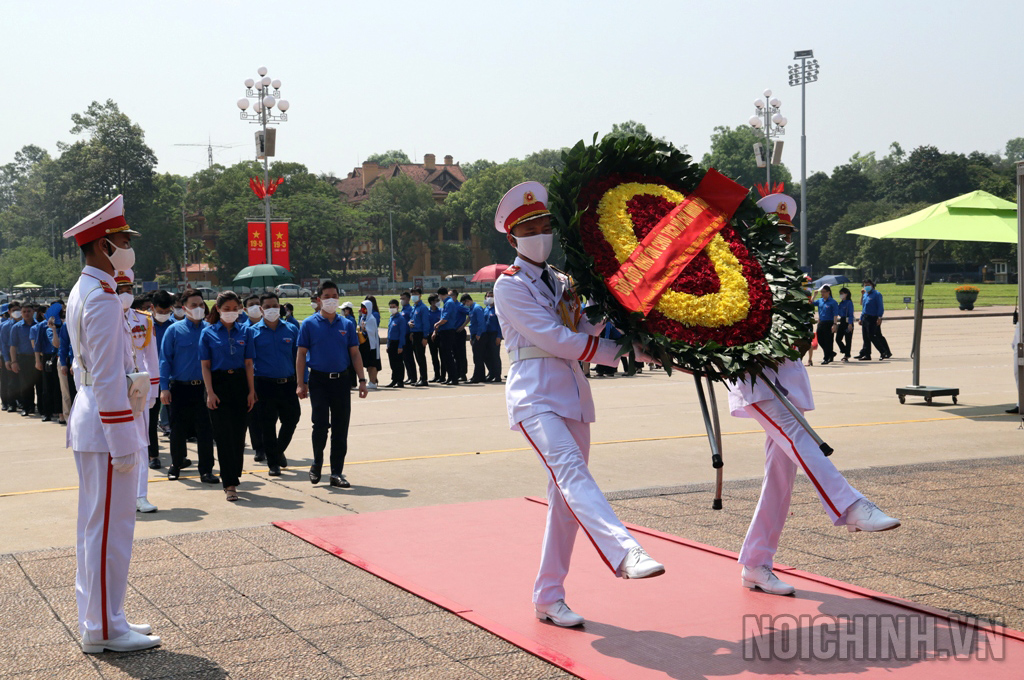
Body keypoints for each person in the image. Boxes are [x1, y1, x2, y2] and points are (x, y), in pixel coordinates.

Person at [493, 181, 665, 628]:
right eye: (529, 229)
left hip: (572, 394)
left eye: (544, 226)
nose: (540, 235)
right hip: (534, 395)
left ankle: (548, 596)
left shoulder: (563, 280)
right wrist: (618, 352)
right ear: (512, 239)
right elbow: (555, 338)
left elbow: (582, 328)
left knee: (565, 501)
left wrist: (617, 317)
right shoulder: (509, 286)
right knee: (572, 472)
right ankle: (625, 551)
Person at [733, 191, 901, 597]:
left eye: (787, 233)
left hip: (787, 378)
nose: (784, 239)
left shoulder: (789, 275)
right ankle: (850, 505)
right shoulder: (740, 270)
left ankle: (756, 562)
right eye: (776, 232)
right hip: (758, 381)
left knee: (780, 478)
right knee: (800, 439)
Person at [62, 194, 160, 653]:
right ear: (103, 245)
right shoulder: (101, 298)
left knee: (98, 529)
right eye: (123, 240)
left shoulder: (88, 290)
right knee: (109, 533)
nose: (128, 248)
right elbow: (105, 376)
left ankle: (103, 616)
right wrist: (124, 442)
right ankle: (104, 628)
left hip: (96, 421)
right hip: (106, 427)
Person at [296, 281, 368, 488]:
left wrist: (362, 380)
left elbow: (355, 353)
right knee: (320, 425)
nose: (331, 300)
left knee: (340, 427)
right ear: (319, 300)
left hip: (341, 381)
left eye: (334, 296)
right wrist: (301, 383)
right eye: (327, 296)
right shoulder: (308, 324)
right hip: (318, 381)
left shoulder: (346, 324)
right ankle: (317, 463)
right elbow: (301, 354)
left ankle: (336, 472)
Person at [199, 291, 255, 502]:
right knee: (223, 436)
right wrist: (210, 392)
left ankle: (234, 474)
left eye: (235, 309)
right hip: (218, 384)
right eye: (226, 309)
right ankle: (229, 484)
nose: (231, 312)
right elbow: (205, 365)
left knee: (238, 435)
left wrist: (251, 391)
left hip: (240, 383)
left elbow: (249, 363)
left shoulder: (246, 332)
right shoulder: (208, 333)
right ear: (218, 309)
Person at [160, 289, 217, 484]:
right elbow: (165, 360)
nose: (198, 308)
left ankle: (206, 470)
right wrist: (164, 388)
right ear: (184, 308)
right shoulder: (174, 330)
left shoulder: (210, 329)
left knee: (205, 431)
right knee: (178, 430)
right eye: (194, 305)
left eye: (201, 304)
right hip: (180, 388)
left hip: (204, 389)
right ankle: (176, 465)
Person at [246, 292, 300, 476]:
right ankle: (273, 464)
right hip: (264, 385)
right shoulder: (252, 332)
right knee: (268, 425)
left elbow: (299, 357)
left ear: (281, 307)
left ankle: (277, 452)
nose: (272, 309)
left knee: (292, 419)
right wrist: (251, 388)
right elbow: (248, 363)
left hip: (288, 383)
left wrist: (303, 382)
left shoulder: (291, 329)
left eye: (275, 306)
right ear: (261, 310)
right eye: (267, 307)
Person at [120, 278, 160, 513]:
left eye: (128, 290)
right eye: (120, 290)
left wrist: (153, 391)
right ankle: (120, 495)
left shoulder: (143, 319)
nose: (125, 294)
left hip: (137, 387)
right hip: (112, 386)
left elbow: (151, 357)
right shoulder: (103, 317)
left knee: (141, 442)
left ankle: (140, 495)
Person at [239, 294, 266, 463]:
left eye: (258, 304)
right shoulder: (241, 330)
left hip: (268, 376)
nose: (255, 307)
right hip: (250, 377)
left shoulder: (270, 326)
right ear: (245, 309)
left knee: (270, 415)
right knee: (253, 416)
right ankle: (259, 448)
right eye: (252, 305)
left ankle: (273, 445)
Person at [150, 290, 175, 442]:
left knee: (174, 417)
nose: (164, 315)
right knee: (150, 418)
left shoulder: (174, 327)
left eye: (167, 312)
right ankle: (152, 451)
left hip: (170, 376)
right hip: (150, 377)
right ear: (152, 307)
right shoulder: (143, 326)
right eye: (160, 312)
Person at [10, 301, 39, 416]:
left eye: (29, 311)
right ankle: (27, 407)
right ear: (21, 313)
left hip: (37, 358)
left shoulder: (39, 325)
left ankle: (41, 408)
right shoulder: (16, 327)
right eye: (24, 311)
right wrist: (14, 362)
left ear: (33, 312)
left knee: (40, 384)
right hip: (23, 358)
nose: (26, 313)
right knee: (25, 385)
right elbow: (13, 346)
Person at [36, 309, 62, 422]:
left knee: (58, 386)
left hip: (59, 356)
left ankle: (58, 410)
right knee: (47, 386)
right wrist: (38, 360)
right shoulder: (43, 326)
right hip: (48, 357)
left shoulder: (63, 326)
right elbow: (37, 344)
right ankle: (47, 412)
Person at [857, 279, 891, 360]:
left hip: (873, 318)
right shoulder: (865, 295)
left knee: (872, 336)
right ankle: (867, 354)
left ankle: (883, 351)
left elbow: (880, 307)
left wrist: (879, 317)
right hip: (865, 317)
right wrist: (861, 318)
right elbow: (863, 307)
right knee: (865, 337)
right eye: (865, 285)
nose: (866, 287)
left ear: (872, 285)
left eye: (868, 285)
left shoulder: (877, 294)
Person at [433, 288, 460, 385]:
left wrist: (437, 324)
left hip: (448, 331)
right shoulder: (447, 303)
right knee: (445, 355)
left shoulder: (449, 303)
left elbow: (445, 319)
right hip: (444, 331)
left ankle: (454, 378)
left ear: (440, 294)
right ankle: (450, 377)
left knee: (448, 355)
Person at [57, 308, 77, 423]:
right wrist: (64, 364)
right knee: (72, 392)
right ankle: (72, 419)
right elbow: (63, 345)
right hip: (73, 363)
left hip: (88, 363)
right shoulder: (66, 325)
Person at [462, 294, 487, 383]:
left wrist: (479, 334)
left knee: (477, 357)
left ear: (468, 300)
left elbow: (481, 322)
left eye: (464, 303)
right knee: (477, 356)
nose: (465, 305)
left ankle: (477, 377)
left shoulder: (477, 308)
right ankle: (481, 376)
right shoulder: (472, 309)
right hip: (474, 334)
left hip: (478, 334)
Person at [408, 287, 430, 387]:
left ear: (420, 295)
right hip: (414, 334)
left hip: (420, 334)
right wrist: (409, 324)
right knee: (417, 357)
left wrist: (425, 337)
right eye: (412, 294)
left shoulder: (423, 308)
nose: (414, 296)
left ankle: (424, 379)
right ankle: (421, 378)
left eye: (416, 294)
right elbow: (412, 319)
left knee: (421, 357)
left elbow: (426, 323)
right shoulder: (414, 307)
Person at [358, 299, 381, 389]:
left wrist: (364, 329)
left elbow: (371, 332)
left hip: (372, 345)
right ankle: (371, 380)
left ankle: (373, 381)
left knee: (372, 364)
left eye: (365, 307)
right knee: (368, 364)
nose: (363, 309)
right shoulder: (363, 317)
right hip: (365, 344)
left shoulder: (371, 318)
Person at [814, 285, 840, 365]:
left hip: (829, 323)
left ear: (828, 292)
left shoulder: (833, 302)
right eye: (821, 292)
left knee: (828, 341)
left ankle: (826, 358)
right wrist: (814, 295)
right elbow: (811, 303)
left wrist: (834, 324)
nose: (822, 293)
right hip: (821, 322)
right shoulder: (820, 301)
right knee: (820, 340)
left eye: (824, 292)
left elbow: (835, 314)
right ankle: (831, 353)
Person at [481, 291, 503, 383]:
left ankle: (497, 375)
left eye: (491, 296)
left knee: (495, 355)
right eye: (488, 296)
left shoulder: (497, 309)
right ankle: (491, 373)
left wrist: (499, 336)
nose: (489, 298)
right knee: (486, 355)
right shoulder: (485, 309)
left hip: (494, 334)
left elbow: (500, 324)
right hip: (486, 334)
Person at [385, 299, 407, 388]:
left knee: (399, 363)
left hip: (397, 342)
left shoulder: (401, 319)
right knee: (392, 363)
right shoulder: (391, 318)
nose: (392, 308)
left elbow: (402, 333)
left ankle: (400, 381)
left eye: (393, 307)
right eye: (390, 307)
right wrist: (387, 344)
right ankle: (394, 379)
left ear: (397, 307)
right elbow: (389, 332)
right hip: (391, 342)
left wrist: (400, 346)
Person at [0, 302, 16, 412]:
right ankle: (6, 402)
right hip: (6, 355)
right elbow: (2, 344)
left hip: (18, 356)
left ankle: (17, 400)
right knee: (6, 381)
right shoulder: (4, 326)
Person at [399, 291, 417, 385]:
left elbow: (412, 321)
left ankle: (413, 377)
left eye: (404, 298)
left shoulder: (410, 309)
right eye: (401, 298)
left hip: (408, 335)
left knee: (409, 357)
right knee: (405, 358)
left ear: (408, 299)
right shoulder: (402, 309)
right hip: (403, 336)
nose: (402, 300)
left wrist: (411, 333)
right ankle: (409, 376)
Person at [452, 288, 470, 382]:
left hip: (459, 332)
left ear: (455, 296)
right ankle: (457, 373)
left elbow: (470, 314)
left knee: (461, 353)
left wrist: (463, 326)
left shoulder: (459, 306)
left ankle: (463, 374)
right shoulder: (449, 305)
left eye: (451, 295)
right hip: (452, 332)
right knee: (455, 354)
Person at [427, 294, 444, 383]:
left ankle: (443, 376)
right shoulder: (427, 311)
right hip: (430, 335)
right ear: (431, 302)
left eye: (438, 300)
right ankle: (436, 375)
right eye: (436, 301)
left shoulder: (441, 311)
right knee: (434, 356)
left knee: (442, 356)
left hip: (439, 335)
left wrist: (436, 331)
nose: (438, 302)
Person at [836, 287, 855, 362]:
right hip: (842, 321)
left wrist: (850, 324)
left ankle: (847, 354)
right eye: (840, 294)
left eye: (842, 293)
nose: (841, 295)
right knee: (838, 339)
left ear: (846, 294)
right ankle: (844, 350)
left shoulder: (849, 303)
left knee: (848, 339)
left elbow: (851, 314)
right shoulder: (841, 303)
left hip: (848, 322)